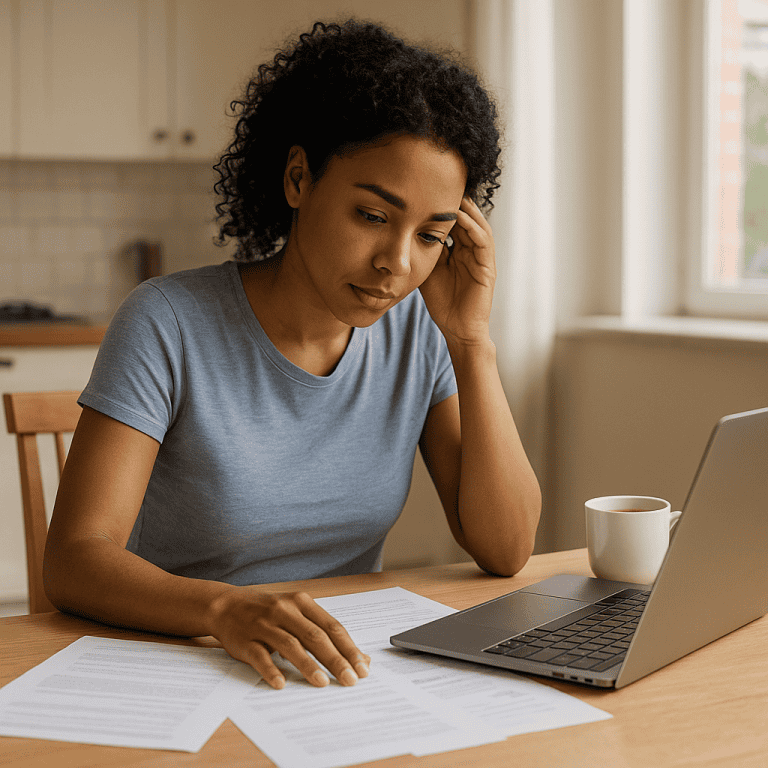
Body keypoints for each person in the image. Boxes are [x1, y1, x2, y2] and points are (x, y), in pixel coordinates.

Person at [43, 19, 541, 691]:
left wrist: (471, 342)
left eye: (431, 235)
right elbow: (75, 560)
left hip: (334, 674)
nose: (397, 263)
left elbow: (507, 549)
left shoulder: (420, 333)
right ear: (299, 177)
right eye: (373, 216)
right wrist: (223, 608)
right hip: (179, 662)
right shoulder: (168, 322)